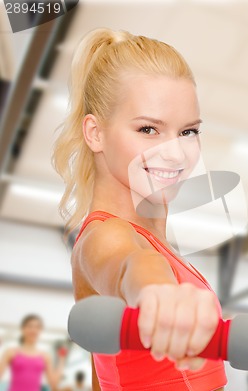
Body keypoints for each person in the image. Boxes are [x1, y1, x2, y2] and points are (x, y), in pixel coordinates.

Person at [52, 28, 226, 390]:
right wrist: (155, 292)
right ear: (95, 133)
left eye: (188, 132)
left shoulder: (155, 242)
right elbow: (130, 264)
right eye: (148, 129)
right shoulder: (106, 235)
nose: (176, 153)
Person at [0, 314, 65, 391]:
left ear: (40, 330)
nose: (33, 330)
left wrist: (62, 359)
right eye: (30, 326)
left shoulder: (45, 355)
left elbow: (53, 383)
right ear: (22, 329)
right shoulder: (11, 352)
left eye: (37, 327)